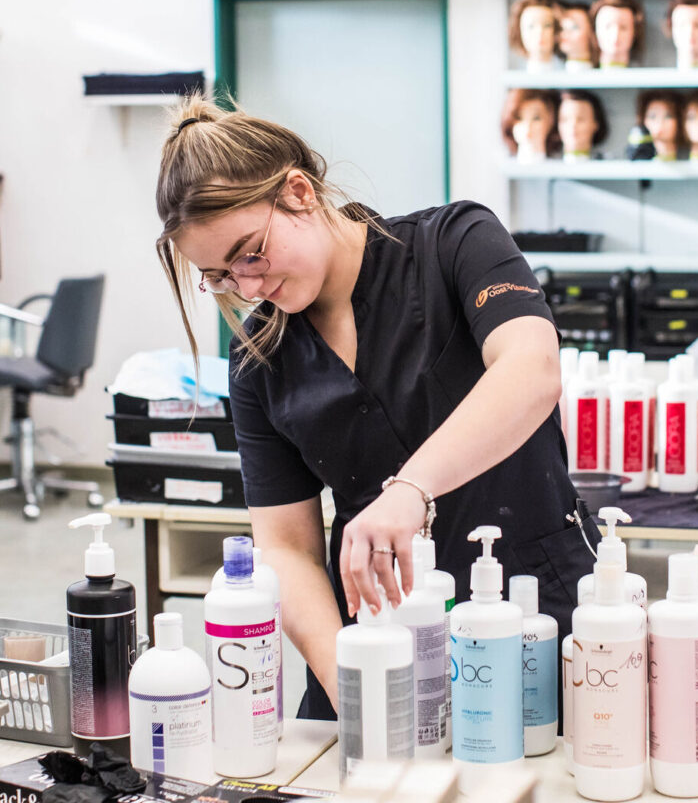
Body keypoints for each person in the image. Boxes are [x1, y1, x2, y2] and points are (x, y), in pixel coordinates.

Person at [155, 95, 600, 719]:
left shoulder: (455, 244)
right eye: (221, 276)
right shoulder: (260, 357)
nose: (248, 286)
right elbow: (287, 548)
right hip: (377, 638)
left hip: (534, 614)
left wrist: (411, 488)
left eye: (250, 253)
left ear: (300, 193)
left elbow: (531, 370)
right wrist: (350, 681)